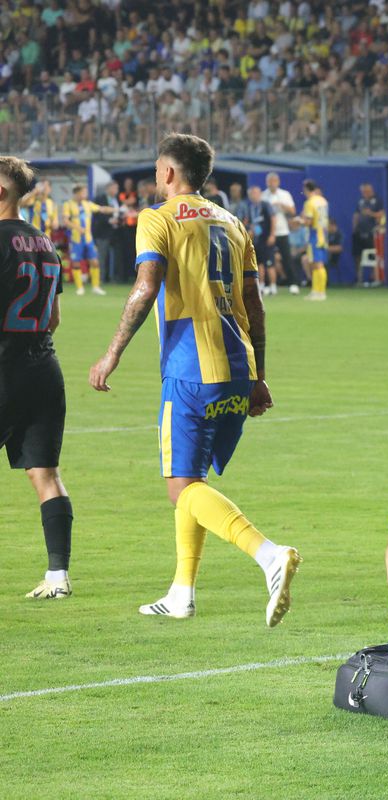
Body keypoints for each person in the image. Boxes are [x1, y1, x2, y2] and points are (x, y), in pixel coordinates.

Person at [88, 133, 300, 625]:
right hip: (238, 366)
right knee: (193, 482)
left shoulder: (157, 218)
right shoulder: (233, 222)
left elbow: (146, 287)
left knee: (181, 488)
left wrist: (112, 353)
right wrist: (259, 375)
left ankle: (269, 554)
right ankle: (181, 592)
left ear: (167, 172)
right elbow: (255, 304)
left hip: (190, 369)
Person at [0, 157, 75, 600]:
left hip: (4, 367)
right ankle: (57, 575)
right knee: (45, 473)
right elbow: (55, 318)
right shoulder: (45, 242)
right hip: (44, 369)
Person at [60, 184, 119, 296]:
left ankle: (95, 287)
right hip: (76, 239)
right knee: (76, 263)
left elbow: (102, 209)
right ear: (77, 193)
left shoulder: (87, 204)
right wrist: (77, 228)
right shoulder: (68, 205)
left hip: (88, 239)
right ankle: (79, 288)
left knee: (95, 262)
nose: (86, 194)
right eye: (84, 192)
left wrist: (116, 209)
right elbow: (65, 221)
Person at [262, 172, 299, 294]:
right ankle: (269, 285)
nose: (272, 184)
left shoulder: (285, 195)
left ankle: (293, 283)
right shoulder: (263, 196)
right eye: (270, 181)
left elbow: (293, 211)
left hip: (283, 231)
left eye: (274, 181)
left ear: (278, 182)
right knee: (268, 259)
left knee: (287, 258)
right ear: (267, 183)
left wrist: (281, 205)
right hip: (268, 233)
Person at [297, 179, 329, 301]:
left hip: (315, 235)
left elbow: (309, 222)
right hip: (324, 234)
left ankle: (319, 291)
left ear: (306, 189)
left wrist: (299, 221)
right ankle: (317, 291)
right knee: (318, 264)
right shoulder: (323, 200)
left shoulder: (310, 203)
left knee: (317, 264)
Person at [242, 185, 277, 295]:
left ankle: (273, 286)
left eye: (256, 193)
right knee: (259, 263)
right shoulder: (250, 207)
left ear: (260, 194)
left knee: (270, 263)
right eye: (252, 194)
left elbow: (273, 219)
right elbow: (247, 222)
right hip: (256, 240)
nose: (254, 195)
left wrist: (272, 235)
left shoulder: (265, 205)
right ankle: (261, 285)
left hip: (266, 238)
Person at [352, 183, 384, 283]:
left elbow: (382, 214)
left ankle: (375, 276)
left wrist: (371, 213)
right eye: (363, 191)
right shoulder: (361, 201)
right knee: (357, 255)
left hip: (372, 233)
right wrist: (354, 227)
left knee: (374, 255)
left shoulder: (377, 200)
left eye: (366, 191)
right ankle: (358, 277)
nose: (365, 193)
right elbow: (356, 214)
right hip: (359, 232)